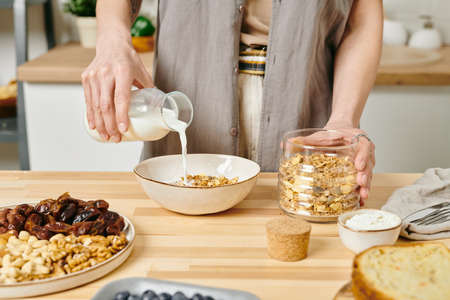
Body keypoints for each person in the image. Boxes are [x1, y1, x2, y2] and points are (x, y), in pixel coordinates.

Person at [82, 0, 382, 204]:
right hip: (190, 97)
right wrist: (112, 38)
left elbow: (362, 17)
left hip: (306, 105)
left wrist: (344, 119)